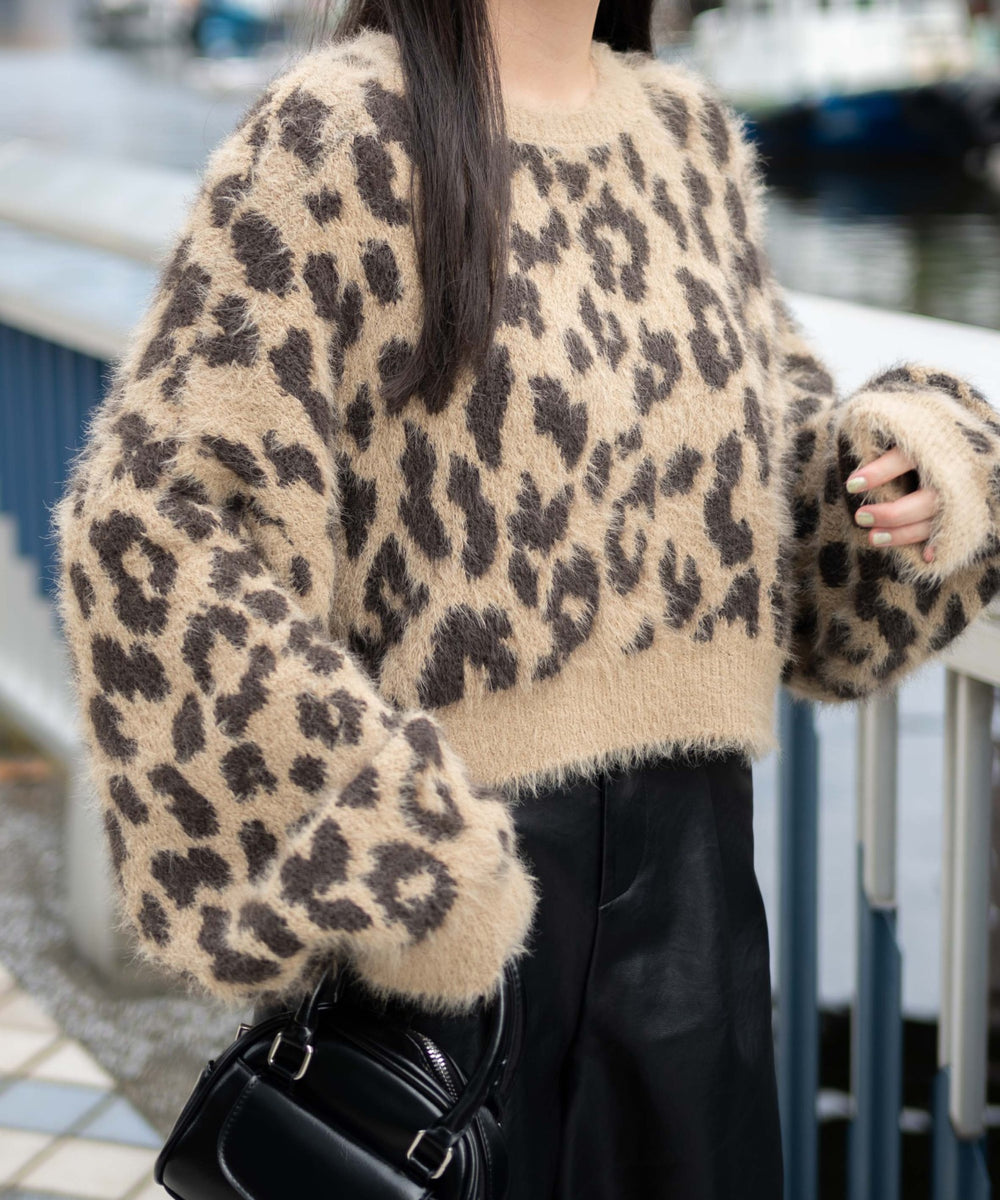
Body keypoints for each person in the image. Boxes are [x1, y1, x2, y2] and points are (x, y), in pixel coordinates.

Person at [52, 1, 1000, 1196]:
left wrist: (912, 462)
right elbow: (153, 526)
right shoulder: (339, 133)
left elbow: (776, 545)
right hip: (451, 918)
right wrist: (375, 838)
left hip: (696, 907)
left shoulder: (687, 137)